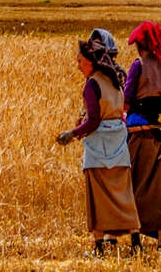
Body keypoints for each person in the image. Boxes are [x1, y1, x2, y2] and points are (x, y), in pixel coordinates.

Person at [55, 29, 141, 256]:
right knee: (123, 192)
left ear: (91, 62)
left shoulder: (92, 85)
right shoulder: (113, 79)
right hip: (119, 141)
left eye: (80, 61)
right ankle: (135, 242)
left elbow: (93, 121)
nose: (78, 66)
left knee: (97, 195)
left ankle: (100, 247)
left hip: (99, 144)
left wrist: (72, 133)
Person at [123, 20, 161, 250]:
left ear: (140, 44)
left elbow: (127, 96)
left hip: (137, 129)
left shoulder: (138, 65)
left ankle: (135, 239)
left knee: (133, 183)